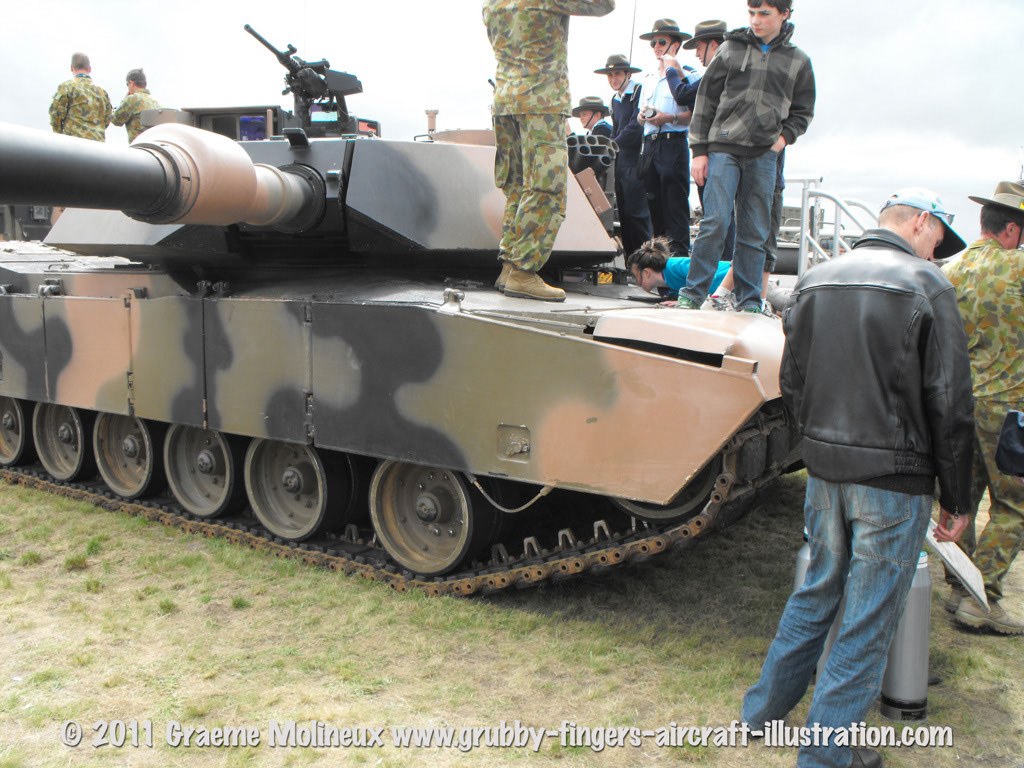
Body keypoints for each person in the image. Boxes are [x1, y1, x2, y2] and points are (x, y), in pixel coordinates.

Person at [742, 188, 974, 768]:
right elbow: (950, 403)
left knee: (815, 594)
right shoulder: (928, 286)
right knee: (867, 620)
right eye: (938, 237)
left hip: (827, 472)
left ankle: (761, 713)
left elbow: (790, 380)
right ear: (921, 222)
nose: (937, 250)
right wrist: (960, 495)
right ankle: (825, 754)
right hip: (894, 478)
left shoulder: (816, 279)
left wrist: (815, 448)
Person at [676, 0, 815, 312]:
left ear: (785, 14)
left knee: (754, 230)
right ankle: (692, 294)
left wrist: (781, 141)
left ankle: (750, 301)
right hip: (723, 149)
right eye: (751, 13)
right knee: (715, 221)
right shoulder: (729, 50)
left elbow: (803, 112)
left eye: (764, 14)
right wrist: (698, 151)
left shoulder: (799, 61)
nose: (756, 21)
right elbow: (705, 101)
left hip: (765, 155)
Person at [484, 0, 615, 302]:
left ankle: (510, 266)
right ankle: (523, 271)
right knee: (546, 188)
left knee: (517, 187)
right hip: (541, 102)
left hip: (506, 102)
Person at [941, 181, 1024, 635]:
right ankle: (983, 595)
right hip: (1011, 409)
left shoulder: (951, 268)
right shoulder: (1018, 267)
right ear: (1011, 229)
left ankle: (958, 584)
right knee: (1015, 505)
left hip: (957, 403)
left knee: (960, 498)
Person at [635, 19, 699, 257]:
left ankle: (679, 267)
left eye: (662, 41)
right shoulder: (649, 78)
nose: (657, 46)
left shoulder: (689, 76)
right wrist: (644, 117)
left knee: (675, 209)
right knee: (655, 208)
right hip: (650, 145)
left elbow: (695, 115)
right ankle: (659, 267)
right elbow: (640, 119)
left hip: (674, 144)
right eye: (653, 43)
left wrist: (668, 117)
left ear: (676, 44)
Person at [594, 53, 651, 257]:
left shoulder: (638, 92)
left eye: (617, 74)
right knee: (625, 216)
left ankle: (646, 261)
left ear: (627, 73)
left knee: (638, 215)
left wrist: (612, 144)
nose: (613, 79)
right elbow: (616, 129)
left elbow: (636, 126)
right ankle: (632, 262)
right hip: (621, 162)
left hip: (636, 161)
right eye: (609, 75)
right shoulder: (614, 100)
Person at [626, 236, 730, 299]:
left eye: (636, 277)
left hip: (730, 277)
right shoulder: (665, 288)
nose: (637, 283)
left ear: (646, 273)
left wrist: (690, 299)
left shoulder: (674, 266)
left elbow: (706, 277)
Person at [48, 52, 111, 142]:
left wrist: (59, 135)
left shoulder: (67, 87)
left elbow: (56, 114)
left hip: (74, 145)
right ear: (89, 69)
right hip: (97, 146)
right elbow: (107, 119)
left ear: (71, 68)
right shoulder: (102, 92)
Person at [111, 69, 160, 143]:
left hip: (137, 147)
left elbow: (116, 120)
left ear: (131, 83)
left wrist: (123, 101)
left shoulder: (132, 99)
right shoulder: (155, 102)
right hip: (152, 147)